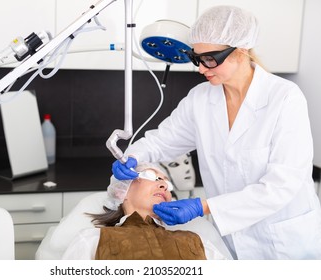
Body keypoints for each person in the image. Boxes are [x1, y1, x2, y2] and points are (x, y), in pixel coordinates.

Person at [111, 5, 321, 260]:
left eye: (210, 59)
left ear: (241, 52)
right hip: (230, 244)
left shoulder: (284, 98)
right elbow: (161, 141)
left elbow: (282, 185)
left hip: (285, 244)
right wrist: (133, 156)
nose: (201, 68)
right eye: (196, 58)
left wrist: (205, 206)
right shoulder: (200, 99)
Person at [61, 163, 230, 260]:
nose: (164, 185)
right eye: (152, 177)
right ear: (122, 191)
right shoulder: (93, 240)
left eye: (167, 183)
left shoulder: (196, 242)